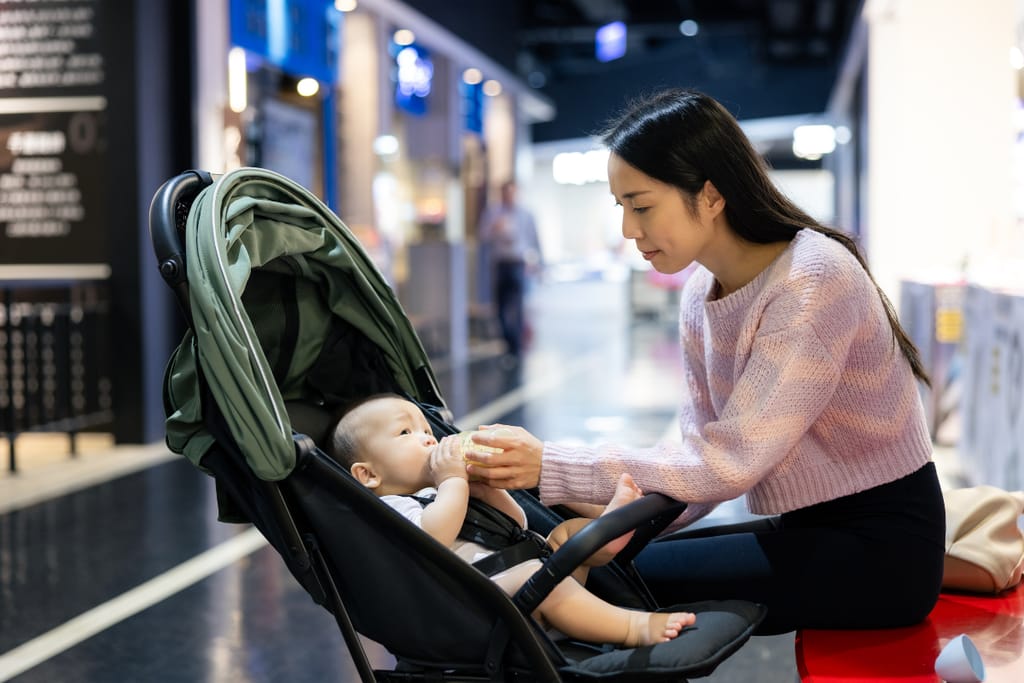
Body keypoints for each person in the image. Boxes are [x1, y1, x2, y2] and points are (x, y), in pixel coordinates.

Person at [462, 88, 946, 635]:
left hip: (884, 551)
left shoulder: (812, 281)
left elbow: (729, 463)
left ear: (711, 195)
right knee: (597, 574)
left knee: (599, 588)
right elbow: (699, 462)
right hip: (811, 529)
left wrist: (552, 466)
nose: (629, 230)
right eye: (622, 208)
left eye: (642, 206)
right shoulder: (700, 293)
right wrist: (619, 526)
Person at [327, 393, 695, 647]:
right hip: (485, 608)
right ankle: (633, 627)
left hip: (519, 577)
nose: (428, 440)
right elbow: (434, 536)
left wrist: (487, 491)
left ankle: (608, 530)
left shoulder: (444, 491)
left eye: (426, 429)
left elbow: (514, 523)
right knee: (536, 578)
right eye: (406, 433)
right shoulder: (390, 509)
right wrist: (453, 482)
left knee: (565, 534)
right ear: (368, 475)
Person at [478, 180, 542, 357]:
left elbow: (535, 239)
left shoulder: (526, 215)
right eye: (506, 193)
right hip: (501, 264)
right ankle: (509, 341)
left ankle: (516, 347)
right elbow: (482, 235)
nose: (509, 196)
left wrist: (538, 263)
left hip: (518, 263)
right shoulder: (493, 213)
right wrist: (494, 228)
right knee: (501, 308)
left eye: (512, 192)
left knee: (518, 307)